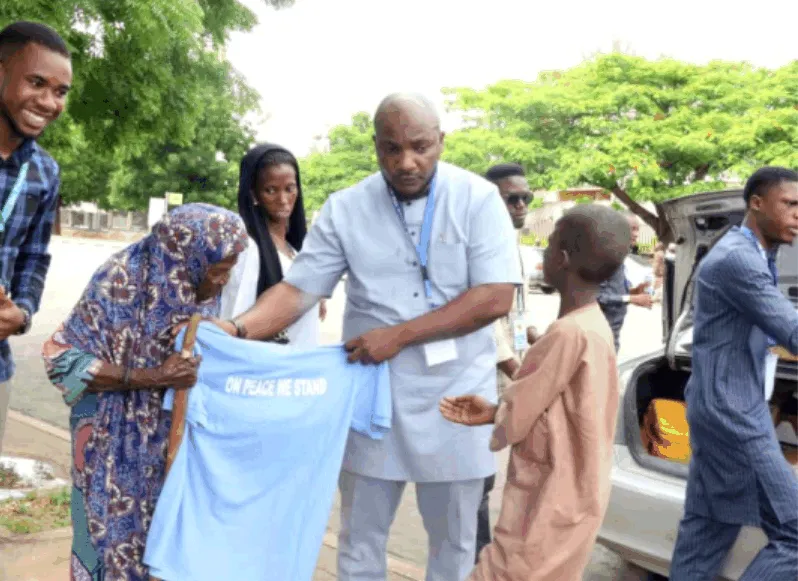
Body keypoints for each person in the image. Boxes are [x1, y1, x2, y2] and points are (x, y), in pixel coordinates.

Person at [213, 93, 522, 579]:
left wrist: (399, 335)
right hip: (373, 395)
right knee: (360, 540)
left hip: (457, 397)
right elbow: (298, 290)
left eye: (420, 146)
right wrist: (235, 329)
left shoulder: (478, 200)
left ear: (441, 141)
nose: (406, 162)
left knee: (456, 545)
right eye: (391, 148)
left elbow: (495, 297)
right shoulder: (347, 207)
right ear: (376, 146)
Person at [41, 204, 248, 581]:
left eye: (228, 270)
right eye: (219, 270)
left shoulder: (195, 285)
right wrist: (152, 376)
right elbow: (60, 358)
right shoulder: (119, 279)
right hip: (109, 442)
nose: (222, 281)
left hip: (168, 444)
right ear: (190, 256)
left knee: (163, 552)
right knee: (106, 547)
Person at [439, 204, 630, 580]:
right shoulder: (593, 326)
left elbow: (518, 416)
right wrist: (494, 412)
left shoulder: (567, 334)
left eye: (550, 243)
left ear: (561, 258)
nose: (544, 251)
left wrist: (500, 414)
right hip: (580, 489)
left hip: (550, 493)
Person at [669, 167, 798, 580]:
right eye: (790, 204)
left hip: (716, 403)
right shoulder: (738, 259)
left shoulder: (753, 252)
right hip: (733, 412)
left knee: (707, 530)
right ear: (756, 204)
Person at [0, 21, 72, 455]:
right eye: (37, 83)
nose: (48, 102)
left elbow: (33, 258)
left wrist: (22, 313)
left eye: (60, 91)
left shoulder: (44, 172)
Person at [476, 162, 538, 562]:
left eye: (525, 198)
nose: (521, 206)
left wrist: (535, 337)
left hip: (508, 372)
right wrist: (517, 370)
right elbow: (484, 317)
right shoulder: (479, 245)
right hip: (482, 375)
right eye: (511, 199)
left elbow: (515, 313)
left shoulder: (512, 244)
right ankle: (474, 561)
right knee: (477, 476)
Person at [220, 143, 325, 347]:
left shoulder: (293, 250)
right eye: (271, 190)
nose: (283, 199)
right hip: (268, 363)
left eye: (289, 188)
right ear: (254, 195)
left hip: (301, 362)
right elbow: (235, 321)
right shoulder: (249, 249)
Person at [597, 212, 653, 352]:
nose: (636, 234)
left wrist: (634, 292)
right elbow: (596, 297)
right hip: (599, 335)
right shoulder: (605, 258)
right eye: (632, 229)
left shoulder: (618, 256)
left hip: (611, 334)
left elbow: (611, 291)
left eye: (637, 229)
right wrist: (632, 298)